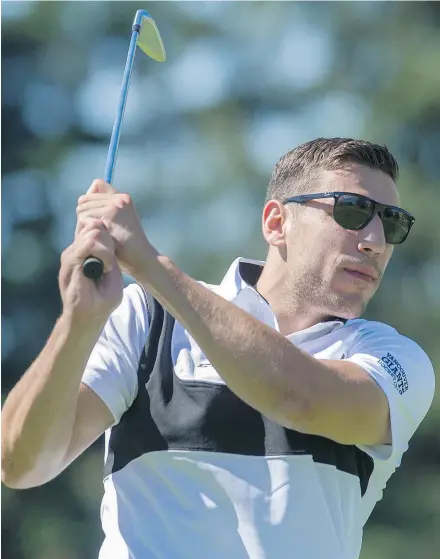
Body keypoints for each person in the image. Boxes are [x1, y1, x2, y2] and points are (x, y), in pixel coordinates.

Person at [2, 137, 435, 559]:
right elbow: (21, 464)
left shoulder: (393, 360)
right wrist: (77, 323)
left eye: (392, 222)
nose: (375, 241)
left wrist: (150, 265)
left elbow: (298, 396)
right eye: (353, 210)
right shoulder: (146, 316)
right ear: (276, 223)